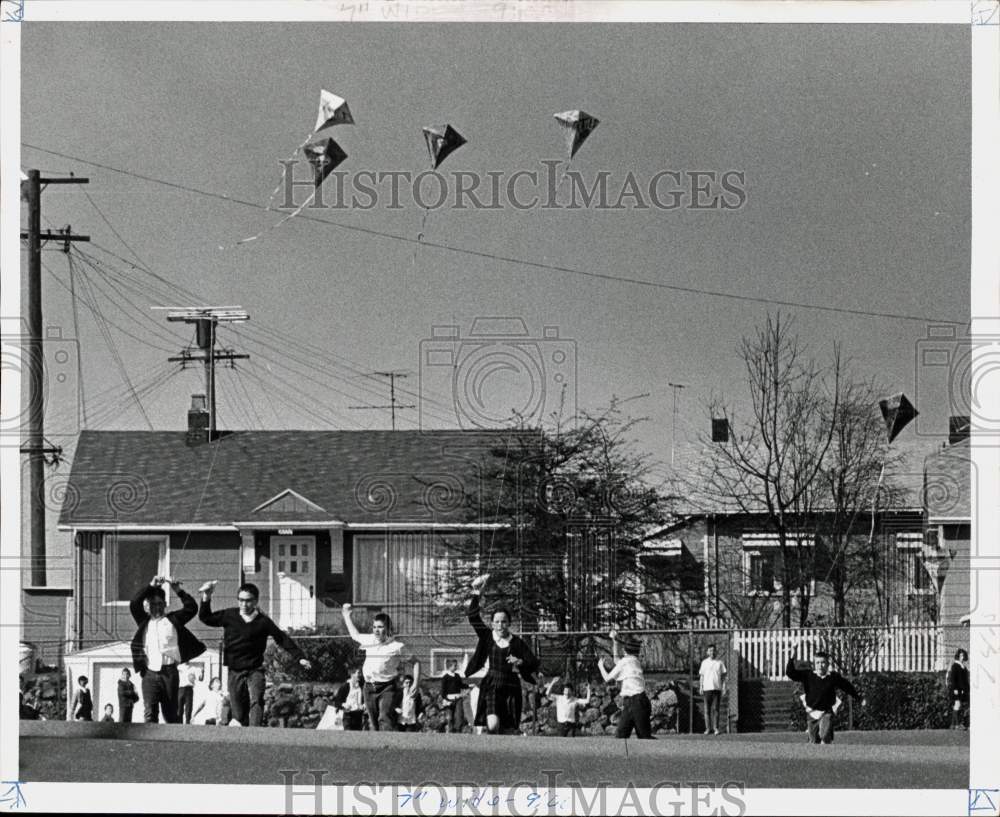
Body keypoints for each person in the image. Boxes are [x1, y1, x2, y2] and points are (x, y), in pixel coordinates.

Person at [198, 580, 312, 727]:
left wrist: (300, 657)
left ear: (256, 601)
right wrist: (206, 597)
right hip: (235, 669)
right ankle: (243, 733)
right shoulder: (229, 615)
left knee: (257, 699)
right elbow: (206, 618)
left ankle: (255, 732)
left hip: (254, 669)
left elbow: (281, 638)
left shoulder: (263, 622)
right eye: (241, 600)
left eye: (248, 601)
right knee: (238, 713)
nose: (244, 605)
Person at [463, 574, 540, 735]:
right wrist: (476, 593)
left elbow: (533, 662)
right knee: (492, 725)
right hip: (492, 684)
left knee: (508, 728)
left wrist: (520, 662)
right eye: (497, 622)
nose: (500, 625)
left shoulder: (517, 642)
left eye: (504, 621)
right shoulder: (487, 636)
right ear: (492, 624)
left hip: (511, 686)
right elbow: (473, 616)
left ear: (509, 623)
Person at [130, 575, 206, 724]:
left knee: (171, 713)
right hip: (149, 673)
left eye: (159, 604)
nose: (156, 607)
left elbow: (191, 608)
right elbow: (134, 603)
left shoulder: (172, 619)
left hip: (170, 672)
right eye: (152, 604)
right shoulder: (143, 621)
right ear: (147, 606)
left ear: (165, 604)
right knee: (150, 713)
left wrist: (178, 590)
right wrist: (151, 586)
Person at [341, 603, 409, 732]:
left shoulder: (397, 646)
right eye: (374, 627)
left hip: (387, 687)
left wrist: (415, 683)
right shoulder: (370, 640)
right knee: (374, 723)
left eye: (380, 627)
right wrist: (346, 616)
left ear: (388, 628)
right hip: (369, 687)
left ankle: (387, 748)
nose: (376, 630)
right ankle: (379, 749)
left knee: (384, 718)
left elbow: (415, 662)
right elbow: (355, 635)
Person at [786, 645, 865, 745]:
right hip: (812, 712)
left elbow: (847, 686)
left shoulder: (833, 677)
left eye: (823, 662)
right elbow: (790, 673)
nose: (820, 665)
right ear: (814, 664)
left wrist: (858, 698)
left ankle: (828, 741)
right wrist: (792, 658)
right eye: (817, 663)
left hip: (826, 712)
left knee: (824, 735)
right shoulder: (808, 675)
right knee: (814, 741)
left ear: (828, 664)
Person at [598, 630, 653, 739]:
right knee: (641, 737)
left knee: (627, 737)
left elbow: (607, 678)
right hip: (639, 702)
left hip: (634, 702)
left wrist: (600, 666)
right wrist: (615, 641)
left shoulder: (626, 662)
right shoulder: (634, 661)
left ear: (624, 651)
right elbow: (617, 660)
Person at [698, 644, 727, 735]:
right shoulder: (704, 663)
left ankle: (716, 728)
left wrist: (724, 687)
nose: (712, 652)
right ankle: (707, 729)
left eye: (713, 650)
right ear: (707, 652)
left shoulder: (720, 663)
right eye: (710, 650)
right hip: (707, 689)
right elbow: (702, 676)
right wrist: (701, 687)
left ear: (716, 651)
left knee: (716, 710)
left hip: (717, 689)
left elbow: (723, 677)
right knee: (707, 710)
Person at [439, 658, 468, 734]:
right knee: (449, 716)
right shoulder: (445, 677)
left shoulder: (457, 676)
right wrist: (445, 699)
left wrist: (469, 685)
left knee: (459, 714)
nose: (456, 667)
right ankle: (450, 730)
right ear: (449, 667)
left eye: (456, 665)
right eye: (455, 665)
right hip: (449, 699)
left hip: (458, 698)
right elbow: (443, 690)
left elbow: (461, 685)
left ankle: (458, 730)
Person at [395, 666, 424, 732]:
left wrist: (421, 713)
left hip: (411, 719)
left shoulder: (416, 694)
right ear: (403, 684)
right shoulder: (399, 694)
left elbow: (420, 705)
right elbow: (393, 704)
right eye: (406, 682)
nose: (408, 684)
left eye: (410, 682)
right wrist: (396, 709)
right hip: (401, 719)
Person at [946, 648, 970, 730]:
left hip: (963, 689)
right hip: (956, 689)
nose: (962, 657)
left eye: (963, 655)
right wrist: (955, 689)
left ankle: (952, 725)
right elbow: (953, 678)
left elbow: (965, 679)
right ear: (958, 656)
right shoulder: (955, 665)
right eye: (960, 655)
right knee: (957, 705)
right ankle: (957, 725)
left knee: (959, 706)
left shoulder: (963, 666)